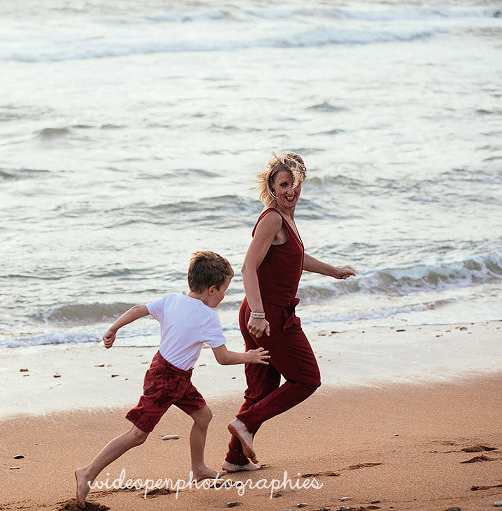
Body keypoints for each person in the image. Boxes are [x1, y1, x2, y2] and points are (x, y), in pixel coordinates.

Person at [75, 251, 271, 508]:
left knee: (203, 416)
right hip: (165, 380)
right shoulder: (208, 317)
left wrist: (113, 328)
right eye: (225, 290)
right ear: (212, 290)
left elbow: (137, 310)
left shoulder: (171, 300)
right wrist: (250, 356)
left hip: (173, 375)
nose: (224, 296)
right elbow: (222, 358)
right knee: (137, 435)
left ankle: (198, 468)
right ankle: (87, 472)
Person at [223, 152, 356, 473]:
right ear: (272, 187)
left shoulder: (287, 220)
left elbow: (296, 258)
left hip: (262, 312)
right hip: (267, 315)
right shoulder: (272, 219)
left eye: (294, 184)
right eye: (283, 184)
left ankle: (235, 459)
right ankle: (245, 422)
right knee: (307, 378)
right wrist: (258, 313)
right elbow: (247, 268)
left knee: (263, 389)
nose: (290, 190)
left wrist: (333, 271)